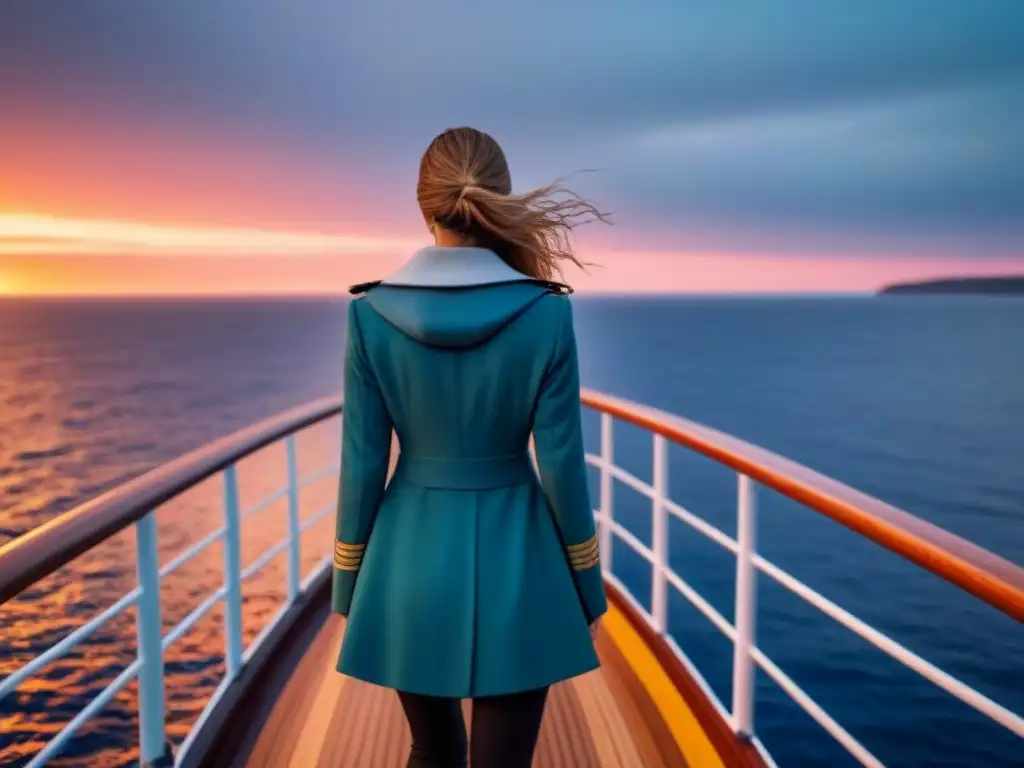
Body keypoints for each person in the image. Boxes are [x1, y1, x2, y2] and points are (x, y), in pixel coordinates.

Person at [331, 126, 611, 768]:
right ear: (498, 200)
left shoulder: (370, 314)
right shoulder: (546, 312)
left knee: (431, 752)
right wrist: (585, 582)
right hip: (522, 562)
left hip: (406, 562)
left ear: (424, 206)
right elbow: (563, 463)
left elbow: (364, 461)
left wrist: (350, 582)